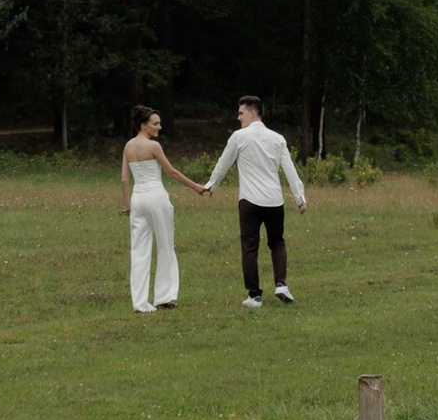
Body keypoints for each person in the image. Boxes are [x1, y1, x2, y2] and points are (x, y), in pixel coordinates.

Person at [204, 95, 308, 307]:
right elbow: (290, 170)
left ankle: (254, 296)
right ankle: (281, 284)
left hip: (250, 201)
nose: (238, 117)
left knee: (250, 247)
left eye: (241, 113)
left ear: (253, 113)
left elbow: (224, 163)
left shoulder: (239, 137)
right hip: (274, 201)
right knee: (277, 242)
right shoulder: (277, 138)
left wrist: (210, 186)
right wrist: (299, 198)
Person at [121, 105, 204, 312]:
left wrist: (127, 204)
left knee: (139, 251)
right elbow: (172, 173)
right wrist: (196, 187)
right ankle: (164, 296)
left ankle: (139, 303)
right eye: (155, 123)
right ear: (143, 125)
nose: (159, 127)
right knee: (166, 245)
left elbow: (124, 179)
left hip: (138, 198)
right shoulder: (153, 146)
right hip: (156, 197)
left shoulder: (128, 146)